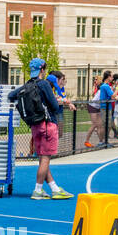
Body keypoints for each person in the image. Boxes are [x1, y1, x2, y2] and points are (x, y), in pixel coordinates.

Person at [8, 56, 72, 200]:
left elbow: (11, 96)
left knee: (42, 158)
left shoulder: (27, 85)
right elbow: (55, 107)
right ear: (42, 69)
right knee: (45, 158)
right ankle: (37, 190)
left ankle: (54, 188)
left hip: (35, 126)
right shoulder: (44, 84)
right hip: (48, 124)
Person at [85, 70, 114, 147]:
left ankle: (101, 141)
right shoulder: (104, 87)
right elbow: (112, 95)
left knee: (100, 125)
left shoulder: (104, 87)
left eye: (96, 80)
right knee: (95, 125)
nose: (95, 81)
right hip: (93, 106)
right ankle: (87, 141)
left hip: (99, 106)